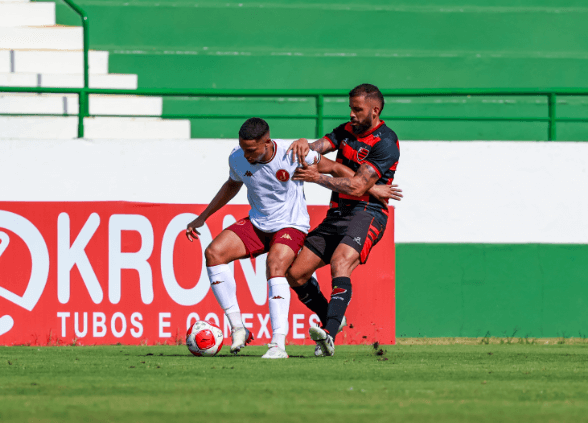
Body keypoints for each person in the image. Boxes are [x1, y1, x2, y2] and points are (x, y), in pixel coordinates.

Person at [185, 117, 399, 359]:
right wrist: (202, 217)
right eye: (243, 148)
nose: (246, 155)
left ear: (267, 142)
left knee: (275, 265)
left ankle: (278, 344)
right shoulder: (237, 156)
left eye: (251, 150)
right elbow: (232, 184)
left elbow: (336, 168)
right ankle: (238, 328)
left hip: (291, 225)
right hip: (258, 223)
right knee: (214, 253)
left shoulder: (291, 154)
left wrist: (371, 188)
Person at [286, 83, 401, 357]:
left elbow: (358, 187)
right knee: (296, 274)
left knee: (340, 261)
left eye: (357, 109)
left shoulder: (385, 142)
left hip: (368, 213)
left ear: (375, 110)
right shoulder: (346, 131)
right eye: (350, 108)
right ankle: (331, 321)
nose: (351, 114)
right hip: (336, 213)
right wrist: (305, 145)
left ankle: (327, 334)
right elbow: (316, 152)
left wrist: (319, 178)